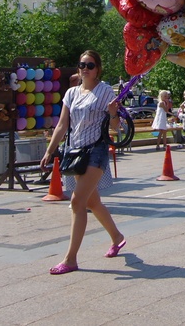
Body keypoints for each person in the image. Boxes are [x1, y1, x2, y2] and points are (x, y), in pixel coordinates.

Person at [40, 51, 125, 275]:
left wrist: (114, 113)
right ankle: (117, 237)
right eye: (82, 64)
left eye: (90, 65)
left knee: (78, 202)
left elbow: (116, 126)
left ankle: (70, 259)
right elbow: (62, 125)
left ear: (98, 68)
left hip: (96, 151)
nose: (85, 68)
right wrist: (50, 151)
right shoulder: (71, 93)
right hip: (75, 152)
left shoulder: (105, 91)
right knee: (92, 202)